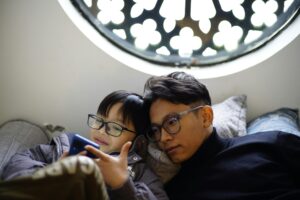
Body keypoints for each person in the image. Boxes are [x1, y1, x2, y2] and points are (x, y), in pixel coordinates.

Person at [143, 71, 300, 200]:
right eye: (156, 130)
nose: (163, 138)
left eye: (171, 122)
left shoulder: (269, 143)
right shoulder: (172, 193)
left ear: (205, 116)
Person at [1, 90, 169, 200]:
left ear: (137, 141)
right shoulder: (66, 145)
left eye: (115, 127)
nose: (102, 130)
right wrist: (52, 173)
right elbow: (17, 164)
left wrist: (122, 184)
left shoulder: (141, 173)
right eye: (99, 121)